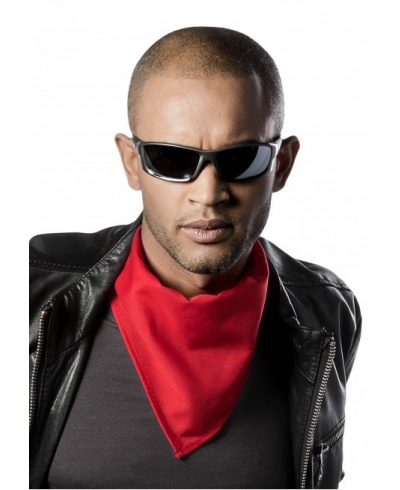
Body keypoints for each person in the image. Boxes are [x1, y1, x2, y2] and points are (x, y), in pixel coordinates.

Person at [29, 26, 361, 489]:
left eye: (242, 159)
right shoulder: (30, 291)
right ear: (132, 163)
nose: (208, 194)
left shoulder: (326, 312)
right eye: (171, 159)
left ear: (281, 165)